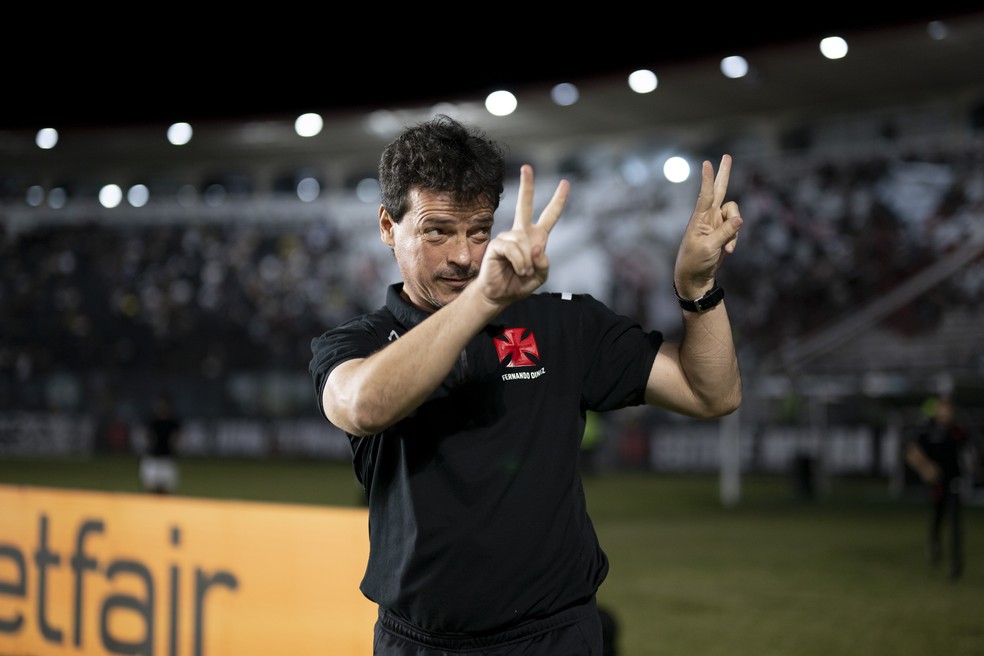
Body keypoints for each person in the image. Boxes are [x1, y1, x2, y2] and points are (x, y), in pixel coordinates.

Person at [309, 115, 743, 654]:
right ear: (387, 226)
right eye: (437, 231)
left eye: (479, 230)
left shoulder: (562, 325)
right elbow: (362, 407)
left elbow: (711, 393)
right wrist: (485, 300)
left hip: (554, 637)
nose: (464, 256)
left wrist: (697, 289)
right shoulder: (357, 342)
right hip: (420, 642)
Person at [904, 395, 977, 580]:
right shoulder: (927, 429)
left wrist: (971, 465)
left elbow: (969, 452)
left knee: (955, 522)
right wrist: (925, 468)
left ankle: (956, 562)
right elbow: (911, 452)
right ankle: (934, 544)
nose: (945, 413)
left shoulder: (957, 431)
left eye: (948, 410)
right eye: (942, 409)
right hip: (936, 484)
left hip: (954, 482)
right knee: (937, 517)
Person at [139, 393, 182, 494]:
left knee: (166, 492)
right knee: (151, 491)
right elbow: (146, 438)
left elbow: (177, 439)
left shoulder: (173, 423)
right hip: (153, 459)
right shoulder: (151, 422)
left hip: (167, 460)